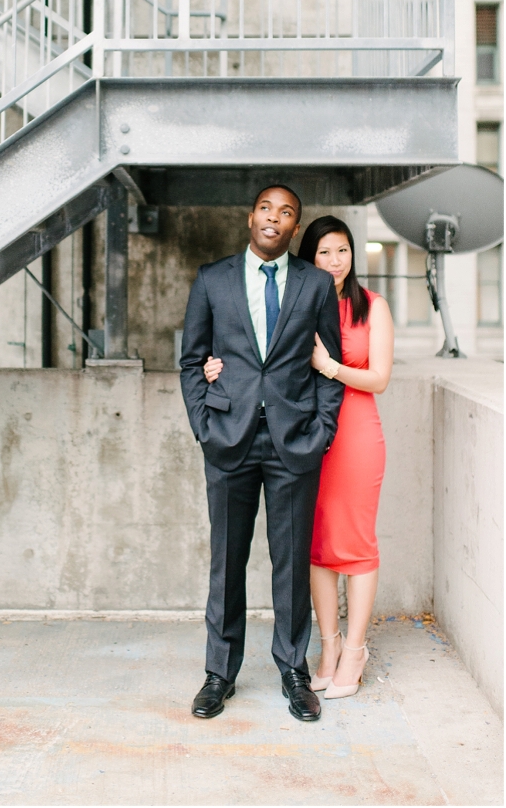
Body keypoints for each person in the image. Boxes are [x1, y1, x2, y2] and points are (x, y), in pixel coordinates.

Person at [180, 186, 344, 724]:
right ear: (251, 216)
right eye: (267, 209)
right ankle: (219, 674)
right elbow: (190, 361)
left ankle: (293, 671)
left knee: (291, 562)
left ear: (295, 227)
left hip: (294, 441)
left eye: (288, 213)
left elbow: (329, 365)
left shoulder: (316, 284)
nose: (276, 218)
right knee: (226, 559)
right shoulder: (213, 279)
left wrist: (322, 430)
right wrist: (205, 424)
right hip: (229, 437)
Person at [297, 215, 393, 699]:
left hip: (356, 434)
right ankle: (329, 647)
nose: (335, 262)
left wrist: (330, 367)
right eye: (323, 253)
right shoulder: (302, 305)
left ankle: (355, 650)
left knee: (355, 542)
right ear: (309, 259)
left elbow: (378, 378)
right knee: (318, 546)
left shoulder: (372, 306)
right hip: (308, 434)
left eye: (342, 251)